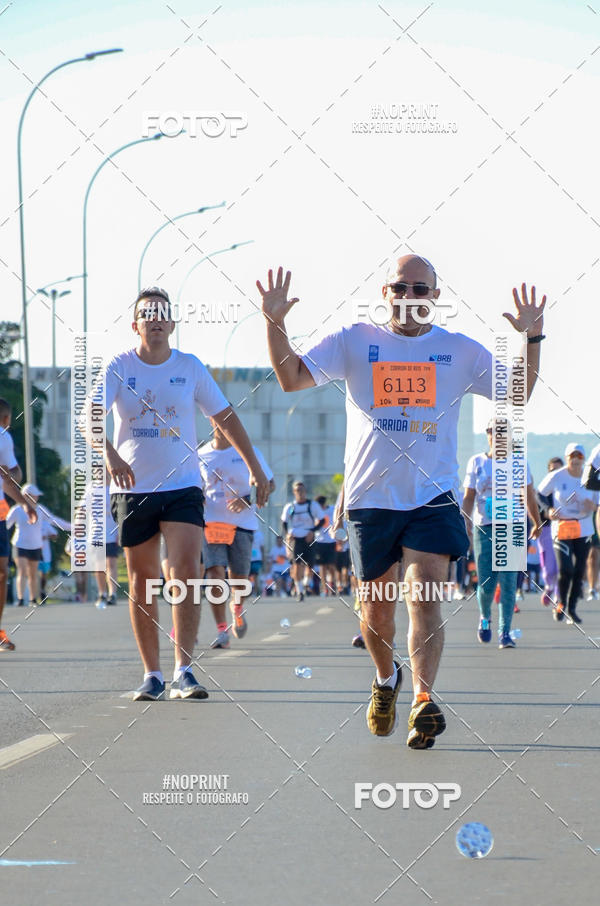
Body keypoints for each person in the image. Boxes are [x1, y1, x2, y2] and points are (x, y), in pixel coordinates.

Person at [259, 260, 545, 748]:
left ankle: (423, 701)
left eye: (420, 288)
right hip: (372, 500)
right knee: (377, 614)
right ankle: (386, 677)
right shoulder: (354, 341)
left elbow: (516, 395)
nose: (409, 294)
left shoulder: (457, 351)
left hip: (432, 497)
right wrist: (274, 323)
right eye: (400, 286)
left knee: (425, 599)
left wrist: (531, 342)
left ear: (434, 295)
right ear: (385, 292)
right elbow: (291, 379)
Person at [92, 286, 270, 701]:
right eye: (146, 314)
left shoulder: (189, 367)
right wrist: (110, 454)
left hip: (183, 486)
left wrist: (255, 468)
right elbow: (91, 417)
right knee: (141, 580)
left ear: (172, 324)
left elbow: (225, 416)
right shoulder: (119, 366)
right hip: (134, 488)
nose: (154, 320)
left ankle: (183, 670)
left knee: (187, 572)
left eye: (161, 314)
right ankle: (151, 674)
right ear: (135, 324)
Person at [462, 421, 542, 648]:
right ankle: (485, 617)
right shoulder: (477, 462)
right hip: (485, 527)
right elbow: (468, 496)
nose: (497, 436)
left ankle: (505, 632)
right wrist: (465, 521)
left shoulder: (519, 462)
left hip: (513, 525)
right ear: (487, 435)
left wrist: (536, 521)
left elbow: (529, 495)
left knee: (508, 582)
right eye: (492, 432)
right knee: (487, 583)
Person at [198, 415, 274, 649]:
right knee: (215, 574)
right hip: (211, 523)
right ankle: (222, 630)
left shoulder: (249, 452)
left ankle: (237, 607)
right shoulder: (200, 455)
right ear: (212, 422)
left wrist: (247, 499)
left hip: (243, 524)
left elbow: (270, 483)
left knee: (239, 581)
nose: (225, 424)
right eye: (220, 420)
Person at [538, 443, 599, 624]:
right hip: (562, 527)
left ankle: (572, 607)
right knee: (566, 569)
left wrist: (593, 506)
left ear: (584, 459)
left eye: (579, 456)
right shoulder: (557, 476)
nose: (575, 460)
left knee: (579, 569)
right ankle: (561, 604)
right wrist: (548, 510)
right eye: (572, 456)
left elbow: (598, 503)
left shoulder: (592, 477)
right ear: (567, 458)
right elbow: (539, 494)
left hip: (584, 528)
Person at [0, 398, 37, 649]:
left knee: (3, 572)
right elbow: (12, 475)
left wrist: (23, 501)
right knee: (1, 574)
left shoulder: (3, 437)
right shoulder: (4, 435)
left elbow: (8, 478)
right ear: (6, 419)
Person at [281, 481, 325, 601]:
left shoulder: (312, 505)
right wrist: (288, 534)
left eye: (302, 490)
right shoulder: (291, 507)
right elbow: (284, 521)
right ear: (294, 492)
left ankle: (306, 583)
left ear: (305, 492)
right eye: (297, 490)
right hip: (296, 538)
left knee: (310, 565)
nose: (300, 493)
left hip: (309, 538)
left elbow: (322, 520)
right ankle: (300, 591)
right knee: (296, 565)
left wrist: (313, 531)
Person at [6, 483, 45, 606]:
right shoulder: (17, 510)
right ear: (26, 496)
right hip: (20, 544)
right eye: (34, 495)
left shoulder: (40, 510)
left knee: (32, 573)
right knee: (22, 570)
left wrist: (73, 527)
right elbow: (6, 524)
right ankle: (21, 598)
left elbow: (54, 520)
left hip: (35, 545)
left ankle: (33, 599)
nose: (37, 498)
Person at [536, 456, 563, 607]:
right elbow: (538, 503)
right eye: (552, 470)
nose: (555, 473)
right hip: (545, 528)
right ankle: (548, 585)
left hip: (562, 528)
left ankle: (559, 597)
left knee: (561, 565)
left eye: (558, 470)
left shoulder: (566, 486)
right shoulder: (543, 488)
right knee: (549, 567)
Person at [313, 495, 337, 596]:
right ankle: (324, 588)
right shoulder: (315, 512)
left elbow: (337, 521)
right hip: (319, 541)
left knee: (331, 565)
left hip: (331, 541)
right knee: (322, 566)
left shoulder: (332, 509)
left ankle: (332, 585)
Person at [249, 528, 265, 596]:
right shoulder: (247, 533)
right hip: (248, 558)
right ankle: (249, 591)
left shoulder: (260, 534)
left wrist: (263, 558)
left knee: (255, 576)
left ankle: (256, 592)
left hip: (257, 558)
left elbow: (262, 547)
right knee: (247, 576)